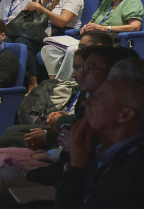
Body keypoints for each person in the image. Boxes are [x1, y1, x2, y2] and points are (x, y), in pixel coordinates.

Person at [55, 57, 144, 208]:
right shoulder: (101, 149)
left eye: (100, 98)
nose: (86, 102)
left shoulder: (133, 174)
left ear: (125, 115)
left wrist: (76, 165)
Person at [41, 0, 142, 78]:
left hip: (112, 42)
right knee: (49, 49)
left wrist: (103, 28)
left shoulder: (131, 0)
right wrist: (86, 27)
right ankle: (53, 82)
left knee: (73, 51)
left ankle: (67, 85)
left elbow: (135, 27)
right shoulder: (106, 2)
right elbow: (92, 22)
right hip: (93, 39)